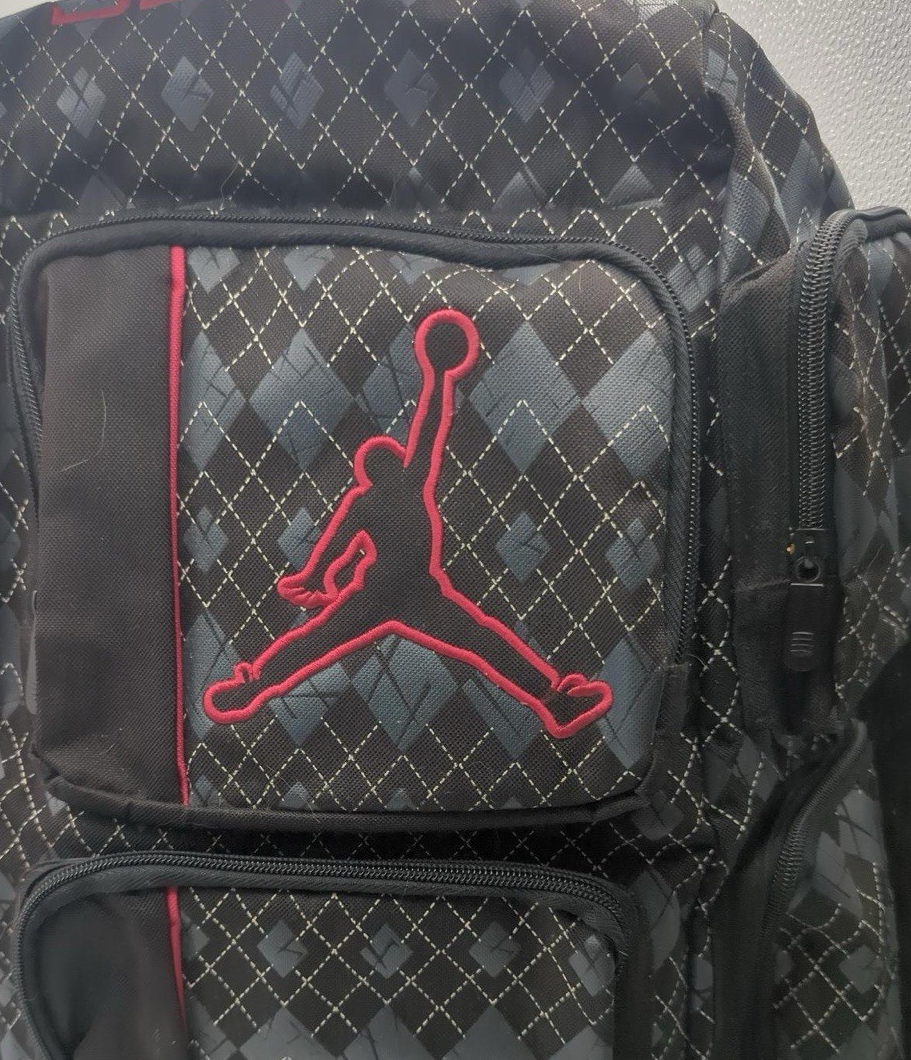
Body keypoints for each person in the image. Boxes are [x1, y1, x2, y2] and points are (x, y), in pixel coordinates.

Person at [205, 308, 612, 739]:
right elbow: (430, 428)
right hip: (419, 591)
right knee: (481, 641)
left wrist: (315, 577)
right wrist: (438, 377)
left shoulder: (367, 501)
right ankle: (553, 700)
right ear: (391, 466)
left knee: (314, 641)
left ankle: (253, 688)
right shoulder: (409, 485)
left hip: (379, 590)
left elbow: (334, 546)